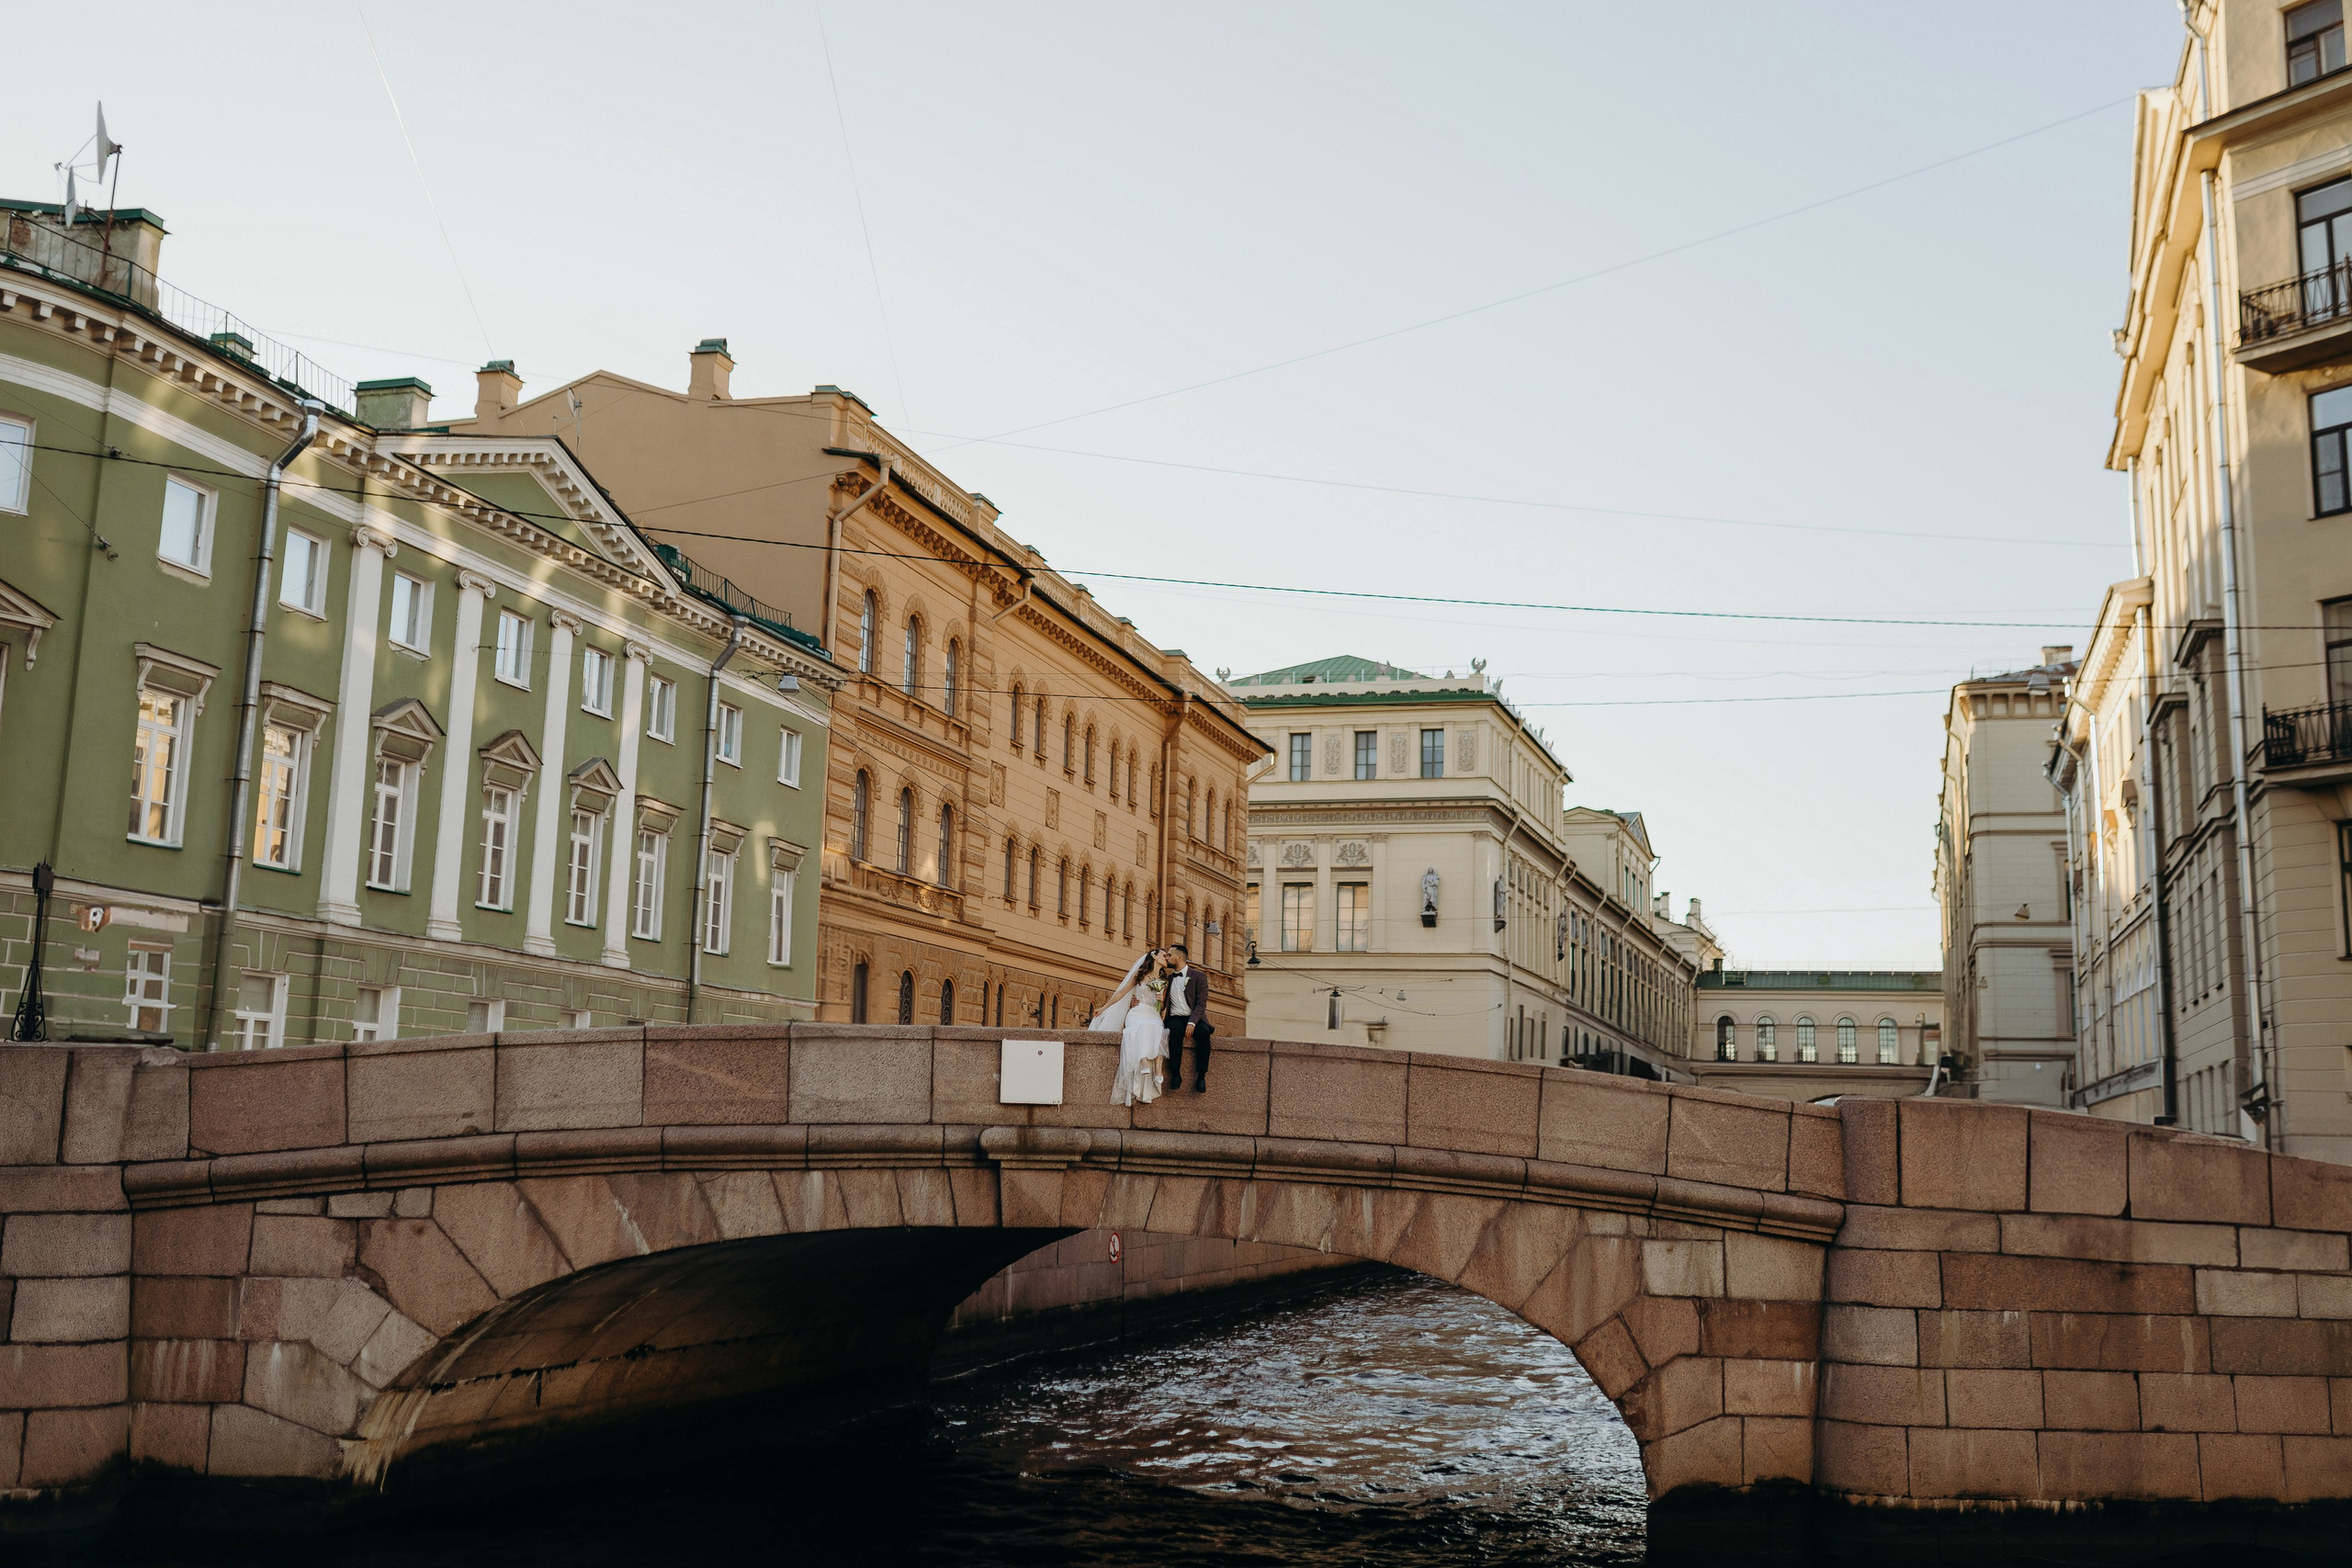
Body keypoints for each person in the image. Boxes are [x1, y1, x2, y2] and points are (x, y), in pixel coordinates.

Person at [1091, 948, 1170, 1107]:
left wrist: (1161, 1001)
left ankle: (1157, 1070)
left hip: (1151, 1012)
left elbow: (1160, 1009)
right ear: (1154, 956)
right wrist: (1104, 1007)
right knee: (1138, 1027)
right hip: (1137, 1012)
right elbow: (1122, 993)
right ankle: (1144, 1062)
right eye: (1164, 955)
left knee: (1156, 1027)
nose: (1167, 958)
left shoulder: (1163, 979)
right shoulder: (1140, 975)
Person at [1162, 943, 1213, 1093]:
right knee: (1174, 1032)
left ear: (1179, 958)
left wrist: (1192, 1022)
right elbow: (1159, 1000)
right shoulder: (1168, 978)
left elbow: (1201, 1003)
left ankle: (1201, 1076)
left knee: (1204, 1034)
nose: (1167, 957)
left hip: (1195, 1018)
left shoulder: (1199, 976)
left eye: (1169, 955)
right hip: (1175, 1018)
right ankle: (1175, 1074)